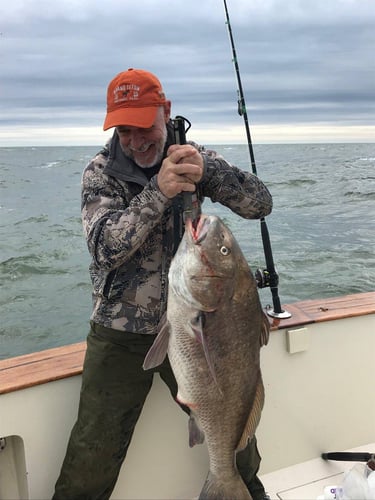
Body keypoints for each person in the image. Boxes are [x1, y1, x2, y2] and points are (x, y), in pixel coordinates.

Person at [53, 68, 272, 500]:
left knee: (238, 444)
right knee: (90, 458)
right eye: (124, 129)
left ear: (165, 111)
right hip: (120, 335)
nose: (136, 139)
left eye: (145, 126)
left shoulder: (191, 158)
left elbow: (260, 204)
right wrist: (159, 191)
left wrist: (209, 169)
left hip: (199, 328)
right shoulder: (100, 173)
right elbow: (105, 248)